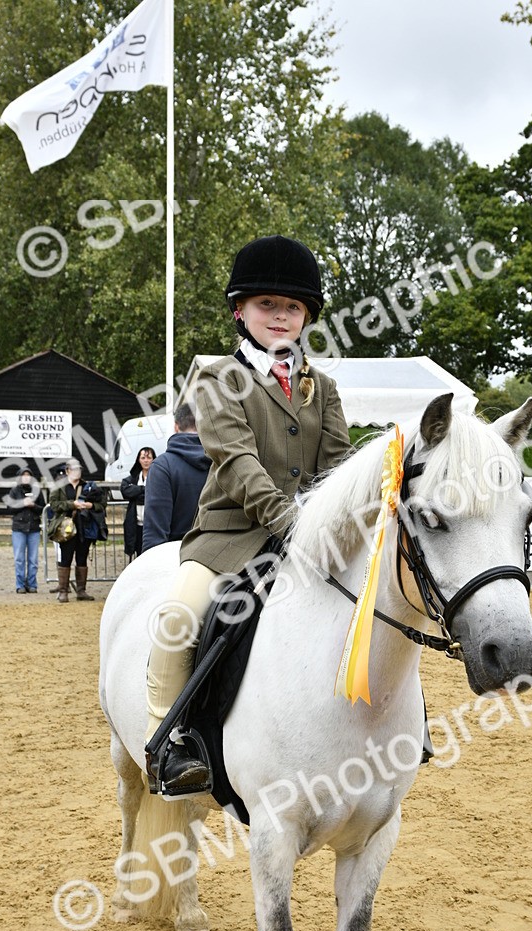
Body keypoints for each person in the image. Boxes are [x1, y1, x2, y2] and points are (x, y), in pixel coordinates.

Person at [145, 234, 351, 794]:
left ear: (306, 316)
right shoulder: (215, 380)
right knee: (178, 618)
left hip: (309, 535)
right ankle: (168, 743)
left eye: (291, 308)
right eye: (267, 305)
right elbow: (237, 464)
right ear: (241, 310)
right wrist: (292, 526)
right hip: (230, 534)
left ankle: (402, 722)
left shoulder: (324, 388)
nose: (280, 317)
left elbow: (336, 465)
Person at [141, 405, 209, 552]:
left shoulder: (162, 466)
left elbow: (154, 535)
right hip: (222, 562)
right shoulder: (224, 462)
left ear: (176, 427)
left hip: (176, 561)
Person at [48, 458, 107, 602]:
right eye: (74, 469)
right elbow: (54, 505)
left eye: (79, 469)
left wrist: (90, 506)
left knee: (82, 558)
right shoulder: (59, 486)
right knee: (65, 559)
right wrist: (72, 505)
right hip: (66, 528)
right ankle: (63, 591)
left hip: (84, 527)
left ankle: (81, 591)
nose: (77, 472)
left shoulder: (88, 486)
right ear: (67, 471)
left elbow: (102, 504)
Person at [7, 467, 44, 593]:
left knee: (33, 559)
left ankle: (32, 584)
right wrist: (23, 503)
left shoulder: (37, 491)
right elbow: (10, 508)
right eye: (23, 475)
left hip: (33, 528)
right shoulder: (14, 491)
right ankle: (20, 584)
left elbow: (43, 509)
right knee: (19, 558)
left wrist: (33, 505)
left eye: (28, 475)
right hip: (18, 528)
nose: (26, 478)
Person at [120, 446, 157, 559]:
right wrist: (143, 489)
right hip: (135, 523)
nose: (146, 461)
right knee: (137, 552)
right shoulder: (132, 478)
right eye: (143, 458)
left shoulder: (158, 476)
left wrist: (136, 491)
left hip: (152, 524)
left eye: (149, 458)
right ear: (138, 460)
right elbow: (125, 490)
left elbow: (157, 491)